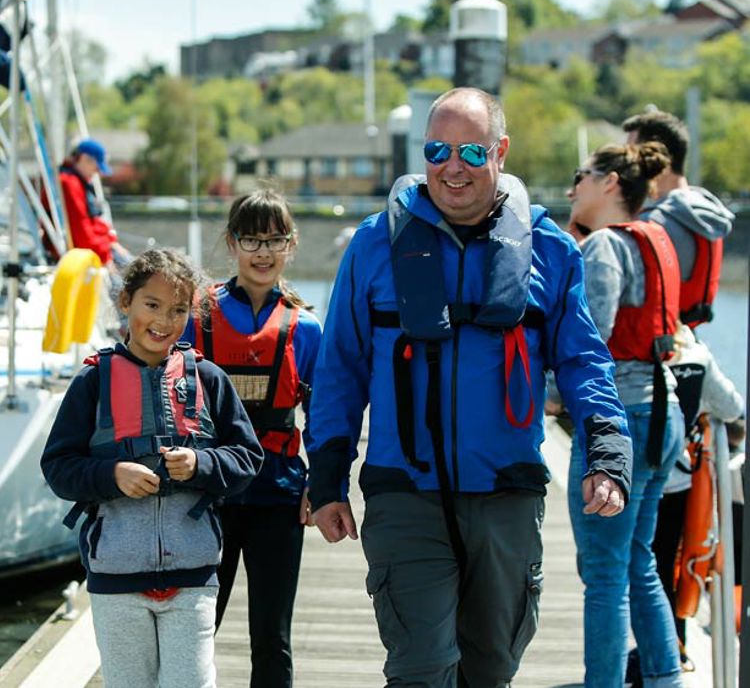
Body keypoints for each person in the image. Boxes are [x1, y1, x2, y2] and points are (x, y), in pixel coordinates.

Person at [307, 87, 633, 688]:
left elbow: (586, 361)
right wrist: (326, 476)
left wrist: (608, 453)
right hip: (405, 492)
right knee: (420, 668)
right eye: (437, 150)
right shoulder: (374, 245)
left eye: (470, 152)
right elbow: (340, 368)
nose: (452, 166)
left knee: (492, 668)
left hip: (506, 492)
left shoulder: (551, 251)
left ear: (499, 152)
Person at [41, 248, 264, 688]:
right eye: (152, 305)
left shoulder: (209, 379)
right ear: (126, 302)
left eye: (179, 309)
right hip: (116, 579)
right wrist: (111, 476)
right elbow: (58, 468)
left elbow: (247, 458)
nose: (164, 320)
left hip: (193, 578)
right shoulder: (91, 383)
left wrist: (202, 463)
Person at [182, 189, 322, 688]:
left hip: (278, 493)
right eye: (251, 240)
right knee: (195, 629)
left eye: (275, 240)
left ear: (291, 245)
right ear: (232, 243)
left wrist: (322, 484)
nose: (263, 252)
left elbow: (322, 414)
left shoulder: (306, 329)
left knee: (271, 636)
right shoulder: (196, 319)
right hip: (206, 495)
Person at [566, 141, 687, 687]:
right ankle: (666, 678)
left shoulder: (604, 249)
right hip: (666, 412)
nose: (574, 189)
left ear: (610, 182)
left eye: (582, 176)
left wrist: (546, 393)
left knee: (605, 575)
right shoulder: (657, 239)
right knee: (639, 560)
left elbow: (592, 342)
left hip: (623, 420)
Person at [625, 322, 745, 685]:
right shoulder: (699, 358)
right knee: (665, 565)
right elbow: (733, 407)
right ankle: (671, 646)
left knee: (628, 567)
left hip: (629, 477)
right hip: (677, 480)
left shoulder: (636, 352)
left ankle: (651, 652)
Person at [621, 111, 734, 328]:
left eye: (632, 154)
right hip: (690, 340)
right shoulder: (705, 211)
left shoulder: (655, 223)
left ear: (657, 154)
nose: (628, 165)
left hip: (654, 347)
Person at [53, 138, 132, 269]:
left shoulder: (75, 182)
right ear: (84, 159)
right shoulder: (69, 184)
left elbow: (90, 222)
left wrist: (111, 241)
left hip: (94, 248)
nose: (97, 173)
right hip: (80, 257)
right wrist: (106, 257)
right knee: (129, 275)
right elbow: (81, 233)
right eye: (96, 167)